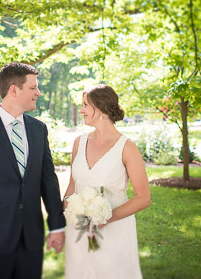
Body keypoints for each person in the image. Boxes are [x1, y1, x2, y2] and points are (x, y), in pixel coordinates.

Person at [0, 62, 66, 278]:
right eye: (33, 88)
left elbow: (48, 181)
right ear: (14, 90)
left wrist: (56, 226)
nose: (39, 93)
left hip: (31, 240)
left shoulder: (38, 129)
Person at [63, 84, 150, 278]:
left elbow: (143, 198)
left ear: (100, 108)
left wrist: (104, 218)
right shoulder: (79, 142)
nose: (82, 110)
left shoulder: (127, 148)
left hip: (115, 233)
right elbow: (72, 186)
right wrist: (70, 210)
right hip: (78, 231)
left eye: (85, 105)